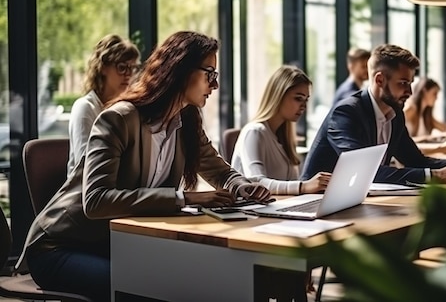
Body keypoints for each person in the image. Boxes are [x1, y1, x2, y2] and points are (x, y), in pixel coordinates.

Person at [20, 31, 272, 301]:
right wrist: (183, 198)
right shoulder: (118, 119)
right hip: (61, 247)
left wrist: (243, 187)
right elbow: (96, 201)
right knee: (147, 289)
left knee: (208, 276)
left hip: (119, 242)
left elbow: (219, 170)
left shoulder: (186, 120)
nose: (215, 84)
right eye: (210, 73)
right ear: (181, 69)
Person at [301, 44, 446, 185]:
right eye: (403, 83)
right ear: (380, 80)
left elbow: (415, 160)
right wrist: (436, 176)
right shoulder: (346, 113)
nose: (410, 92)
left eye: (411, 83)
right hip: (317, 202)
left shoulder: (395, 114)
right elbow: (364, 171)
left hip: (361, 200)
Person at [231, 65, 331, 195]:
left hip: (278, 207)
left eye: (306, 100)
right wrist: (303, 187)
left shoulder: (285, 137)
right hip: (253, 212)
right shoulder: (254, 132)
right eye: (298, 98)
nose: (304, 106)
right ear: (278, 96)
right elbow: (257, 182)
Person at [67, 34, 141, 177]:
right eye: (122, 67)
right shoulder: (85, 108)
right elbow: (86, 167)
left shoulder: (126, 109)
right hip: (85, 193)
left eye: (132, 68)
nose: (128, 75)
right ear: (103, 68)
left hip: (114, 191)